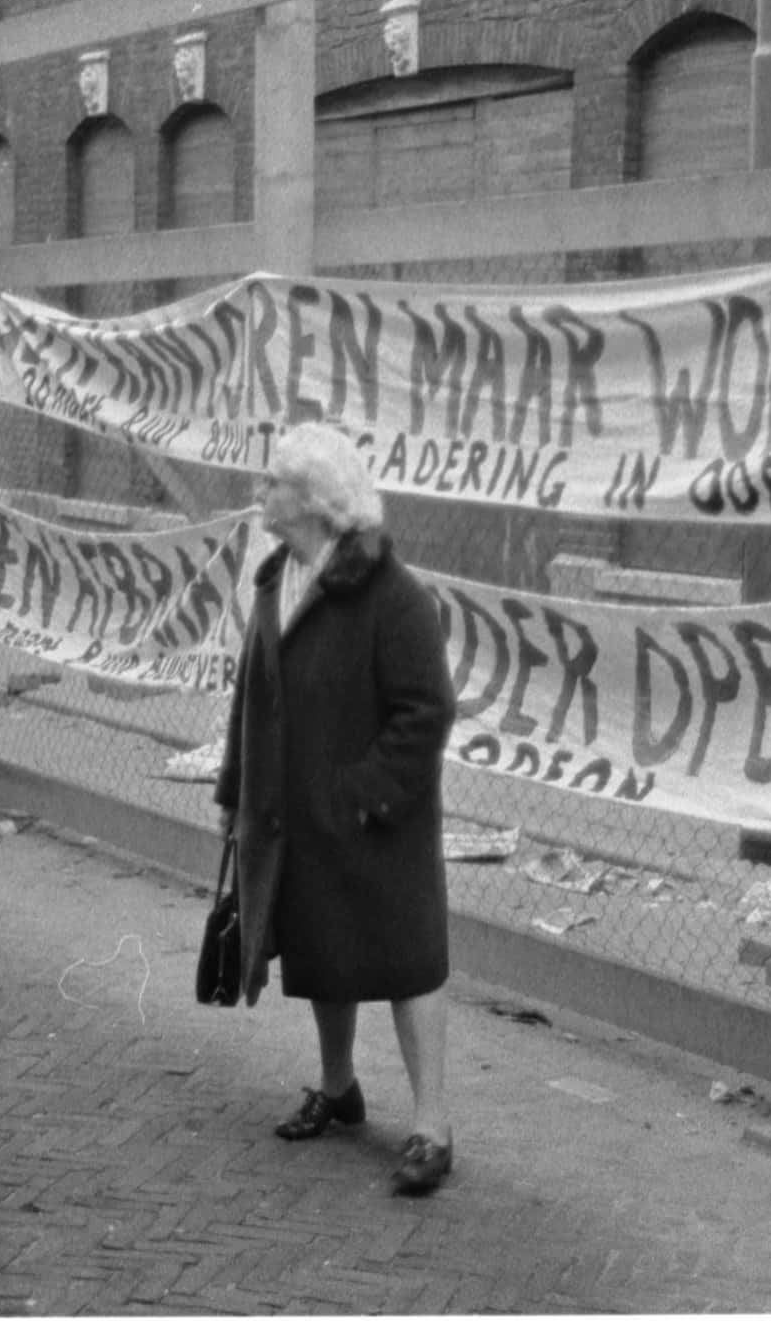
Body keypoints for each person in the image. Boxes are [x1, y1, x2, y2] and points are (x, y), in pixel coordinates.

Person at [213, 422, 462, 1195]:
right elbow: (252, 694)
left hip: (374, 820)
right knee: (324, 947)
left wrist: (359, 795)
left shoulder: (393, 596)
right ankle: (339, 1088)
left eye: (272, 482)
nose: (258, 492)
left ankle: (433, 1125)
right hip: (297, 817)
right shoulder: (272, 580)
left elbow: (427, 711)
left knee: (407, 963)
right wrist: (233, 789)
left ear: (316, 501)